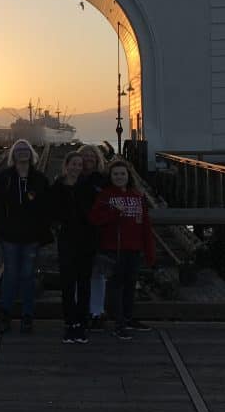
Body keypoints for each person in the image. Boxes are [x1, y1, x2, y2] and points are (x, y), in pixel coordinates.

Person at [90, 159, 156, 341]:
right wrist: (114, 212)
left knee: (129, 285)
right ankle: (118, 322)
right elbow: (95, 219)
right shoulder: (105, 195)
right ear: (110, 177)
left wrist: (149, 251)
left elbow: (145, 225)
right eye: (116, 174)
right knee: (115, 287)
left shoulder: (137, 196)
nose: (119, 177)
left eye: (123, 174)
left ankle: (128, 317)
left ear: (128, 176)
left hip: (133, 248)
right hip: (113, 249)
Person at [0, 138, 51, 333]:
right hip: (9, 236)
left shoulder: (40, 179)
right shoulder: (5, 178)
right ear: (13, 155)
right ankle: (5, 314)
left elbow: (45, 208)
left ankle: (27, 315)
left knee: (27, 276)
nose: (22, 153)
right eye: (18, 150)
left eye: (26, 149)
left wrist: (42, 231)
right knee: (10, 276)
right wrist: (0, 229)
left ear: (31, 154)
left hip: (31, 237)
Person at [51, 150, 94, 344]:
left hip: (85, 239)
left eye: (79, 164)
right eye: (73, 164)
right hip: (67, 238)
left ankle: (81, 322)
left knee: (84, 282)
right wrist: (57, 225)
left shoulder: (87, 187)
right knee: (68, 283)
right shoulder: (57, 187)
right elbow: (50, 210)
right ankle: (70, 322)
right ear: (66, 165)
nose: (76, 167)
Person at [76, 144, 109, 331]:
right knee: (79, 273)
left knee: (98, 273)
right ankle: (81, 310)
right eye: (84, 156)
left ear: (97, 159)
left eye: (91, 156)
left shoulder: (103, 180)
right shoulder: (73, 179)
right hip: (78, 232)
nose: (88, 159)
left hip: (97, 231)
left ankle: (97, 311)